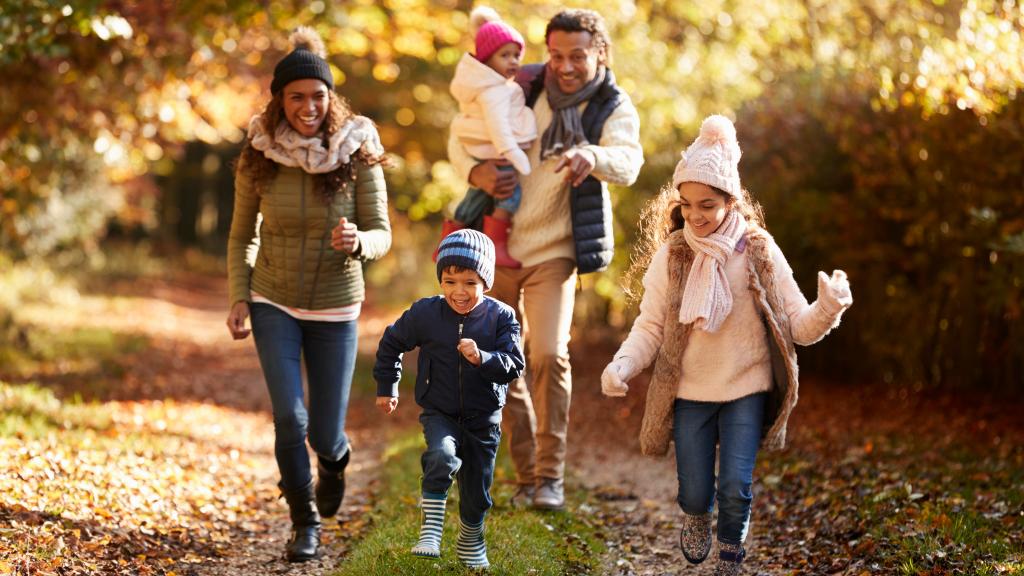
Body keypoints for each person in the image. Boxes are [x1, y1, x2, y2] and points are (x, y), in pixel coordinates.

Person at [600, 115, 853, 575]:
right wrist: (622, 365)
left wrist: (828, 308)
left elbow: (796, 325)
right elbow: (651, 327)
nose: (696, 215)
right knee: (696, 491)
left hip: (745, 387)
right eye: (688, 204)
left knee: (736, 486)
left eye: (708, 205)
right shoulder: (673, 254)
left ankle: (730, 556)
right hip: (691, 393)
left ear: (731, 201)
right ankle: (696, 517)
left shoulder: (757, 249)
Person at [447, 8, 644, 511]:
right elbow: (460, 135)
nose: (565, 66)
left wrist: (592, 157)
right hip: (497, 248)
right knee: (497, 360)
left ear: (599, 53)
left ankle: (549, 477)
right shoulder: (523, 84)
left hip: (554, 252)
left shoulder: (611, 105)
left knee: (548, 355)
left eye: (577, 55)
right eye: (556, 55)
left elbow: (628, 160)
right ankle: (526, 471)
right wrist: (477, 175)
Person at [225, 27, 391, 562]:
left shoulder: (357, 148)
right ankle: (304, 522)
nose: (308, 107)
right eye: (296, 96)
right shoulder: (260, 153)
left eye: (317, 96)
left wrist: (359, 241)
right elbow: (240, 233)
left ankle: (335, 460)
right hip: (273, 297)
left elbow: (382, 232)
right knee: (289, 418)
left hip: (337, 304)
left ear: (330, 98)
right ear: (280, 100)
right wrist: (239, 295)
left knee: (323, 431)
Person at [373, 229, 525, 569]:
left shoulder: (502, 318)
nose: (459, 291)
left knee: (477, 489)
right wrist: (387, 387)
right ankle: (430, 530)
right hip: (439, 410)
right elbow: (391, 343)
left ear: (485, 281)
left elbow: (514, 365)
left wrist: (482, 358)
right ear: (440, 280)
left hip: (483, 417)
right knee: (441, 456)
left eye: (470, 282)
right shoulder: (426, 314)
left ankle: (471, 539)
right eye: (450, 281)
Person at [442, 6, 538, 268]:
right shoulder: (494, 91)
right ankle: (496, 244)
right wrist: (516, 155)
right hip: (497, 152)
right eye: (504, 55)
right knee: (510, 195)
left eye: (517, 55)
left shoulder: (491, 85)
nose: (514, 61)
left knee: (476, 198)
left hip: (485, 152)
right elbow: (499, 128)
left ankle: (448, 239)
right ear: (486, 60)